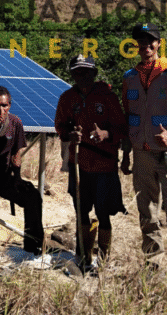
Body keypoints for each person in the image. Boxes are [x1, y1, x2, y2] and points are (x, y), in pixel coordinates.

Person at [122, 23, 167, 268]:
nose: (145, 46)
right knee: (147, 215)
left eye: (150, 41)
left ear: (159, 43)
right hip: (141, 155)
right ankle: (153, 268)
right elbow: (128, 117)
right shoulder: (129, 78)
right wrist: (125, 155)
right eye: (140, 42)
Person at [54, 55, 127, 271]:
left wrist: (105, 133)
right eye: (77, 72)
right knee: (81, 210)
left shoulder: (107, 97)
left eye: (85, 72)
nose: (81, 76)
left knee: (103, 213)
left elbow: (122, 129)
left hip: (104, 165)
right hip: (79, 164)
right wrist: (70, 134)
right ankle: (83, 256)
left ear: (94, 73)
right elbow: (60, 125)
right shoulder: (68, 98)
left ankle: (103, 260)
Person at [0, 86, 44, 256]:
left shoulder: (15, 122)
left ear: (10, 105)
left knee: (32, 196)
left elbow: (16, 153)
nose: (1, 110)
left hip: (5, 177)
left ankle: (33, 245)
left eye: (5, 105)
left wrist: (17, 177)